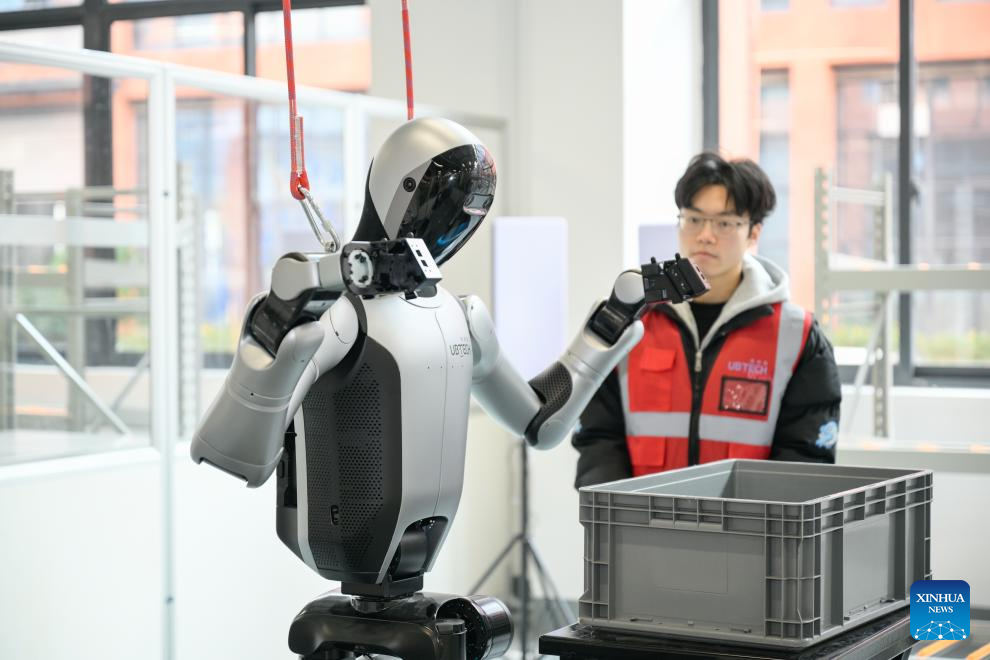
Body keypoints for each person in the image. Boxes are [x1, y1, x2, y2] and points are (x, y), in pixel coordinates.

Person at [573, 152, 841, 488]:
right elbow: (598, 436)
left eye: (724, 223)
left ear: (754, 233)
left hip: (750, 521)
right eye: (694, 219)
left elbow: (804, 458)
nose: (705, 235)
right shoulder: (630, 321)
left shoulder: (796, 336)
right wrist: (617, 510)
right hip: (641, 518)